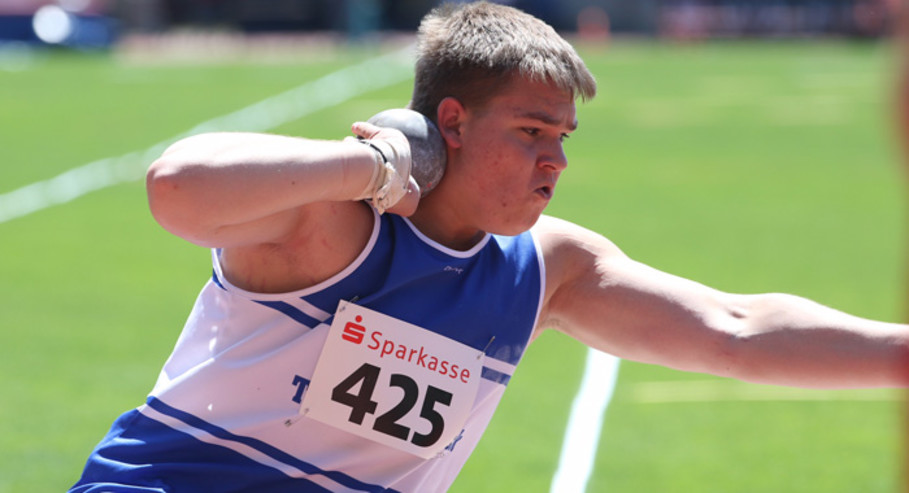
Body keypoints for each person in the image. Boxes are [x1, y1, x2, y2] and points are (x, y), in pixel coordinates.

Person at [71, 2, 908, 492]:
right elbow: (175, 185)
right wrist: (373, 162)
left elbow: (735, 328)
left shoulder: (547, 269)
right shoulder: (333, 224)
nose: (556, 162)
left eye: (563, 137)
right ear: (452, 123)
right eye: (531, 132)